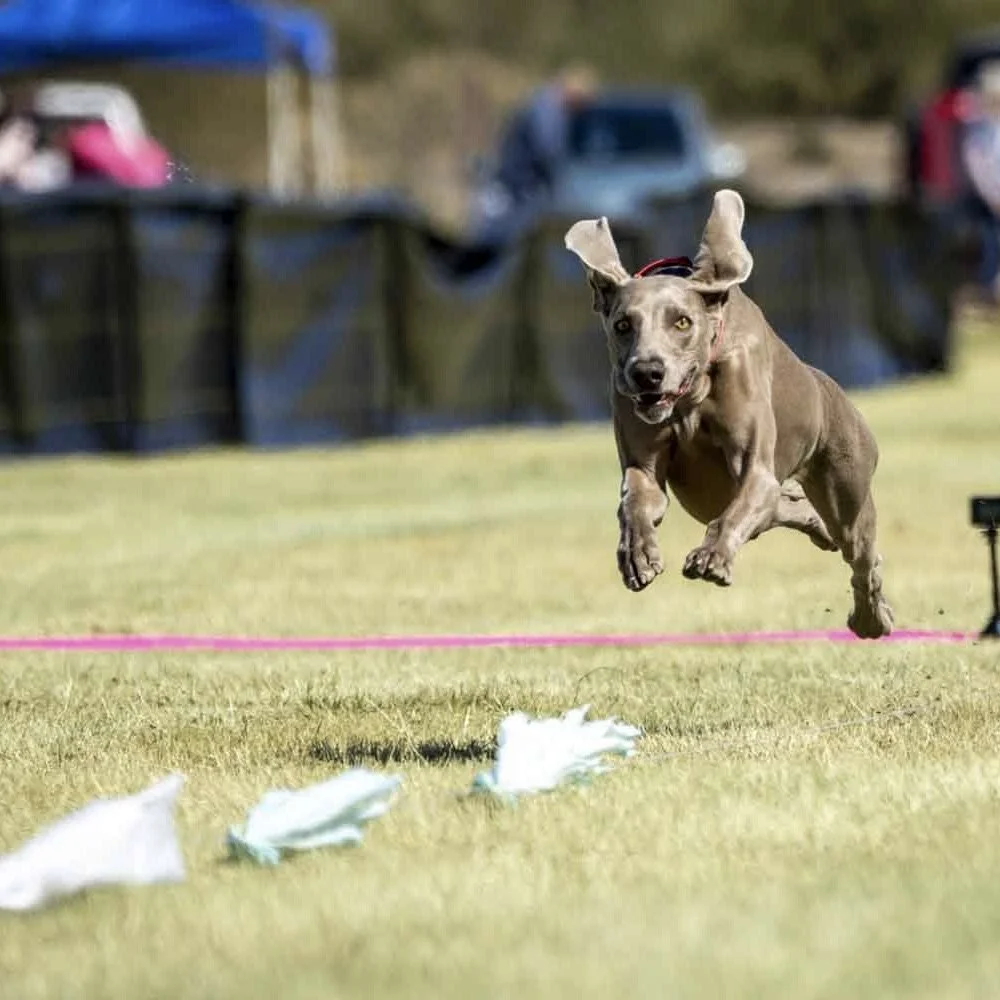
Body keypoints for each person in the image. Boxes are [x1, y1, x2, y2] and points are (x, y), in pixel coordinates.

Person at [472, 66, 598, 243]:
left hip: (520, 188)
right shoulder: (546, 110)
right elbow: (548, 151)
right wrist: (559, 183)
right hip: (514, 188)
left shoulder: (549, 108)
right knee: (496, 239)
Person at [959, 63, 1000, 298]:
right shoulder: (979, 130)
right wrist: (992, 197)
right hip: (988, 199)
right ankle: (988, 290)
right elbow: (978, 167)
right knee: (990, 243)